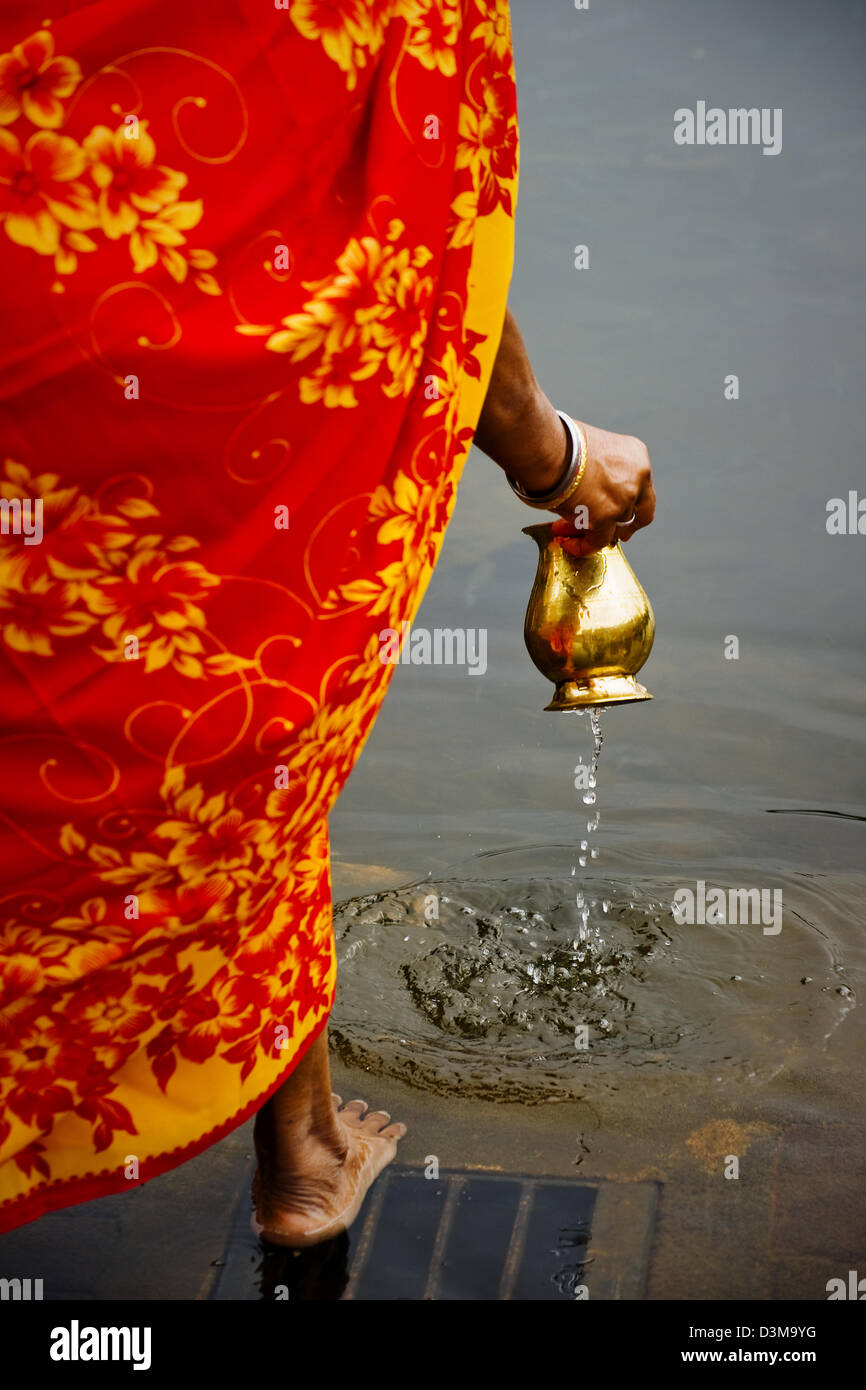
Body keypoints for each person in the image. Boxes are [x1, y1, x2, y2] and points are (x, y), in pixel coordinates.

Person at [0, 0, 653, 1247]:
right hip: (177, 397)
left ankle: (299, 1141)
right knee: (243, 695)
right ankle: (302, 1158)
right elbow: (412, 220)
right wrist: (547, 453)